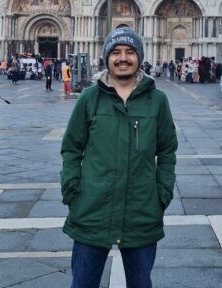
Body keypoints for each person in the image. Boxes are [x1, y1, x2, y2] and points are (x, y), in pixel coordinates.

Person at [61, 28, 178, 288]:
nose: (122, 58)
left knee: (140, 284)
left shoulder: (157, 101)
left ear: (139, 57)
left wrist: (162, 193)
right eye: (115, 52)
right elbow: (71, 148)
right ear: (107, 58)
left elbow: (168, 151)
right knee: (83, 284)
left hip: (141, 211)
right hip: (92, 210)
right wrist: (72, 189)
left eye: (129, 52)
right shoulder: (89, 99)